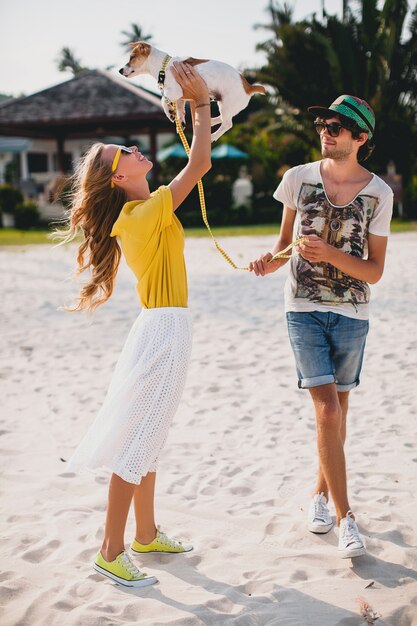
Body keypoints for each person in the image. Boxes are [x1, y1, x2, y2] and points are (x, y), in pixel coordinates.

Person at [56, 61, 211, 587]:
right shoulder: (144, 212)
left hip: (165, 326)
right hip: (164, 330)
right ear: (119, 177)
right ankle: (110, 549)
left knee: (151, 434)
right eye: (122, 153)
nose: (131, 149)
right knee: (140, 438)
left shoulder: (143, 209)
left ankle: (145, 534)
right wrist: (200, 104)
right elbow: (200, 162)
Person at [249, 95, 393, 559]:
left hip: (352, 313)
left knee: (337, 414)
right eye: (323, 124)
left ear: (360, 138)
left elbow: (374, 271)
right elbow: (283, 247)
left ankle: (318, 494)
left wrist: (330, 254)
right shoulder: (298, 179)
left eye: (337, 126)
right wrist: (267, 263)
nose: (326, 131)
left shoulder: (380, 194)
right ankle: (345, 517)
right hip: (303, 309)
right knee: (328, 411)